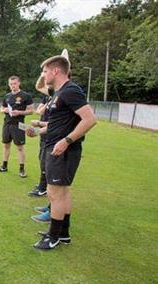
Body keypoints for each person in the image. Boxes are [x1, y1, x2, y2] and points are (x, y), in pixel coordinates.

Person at [27, 55, 97, 250]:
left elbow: (90, 119)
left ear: (55, 71)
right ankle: (63, 234)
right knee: (62, 193)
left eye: (46, 71)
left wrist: (67, 141)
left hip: (63, 151)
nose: (44, 75)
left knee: (55, 193)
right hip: (54, 147)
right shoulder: (59, 93)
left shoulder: (71, 91)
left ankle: (53, 236)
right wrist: (39, 130)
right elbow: (58, 124)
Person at [0, 76, 34, 178]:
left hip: (19, 125)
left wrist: (19, 112)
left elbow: (31, 110)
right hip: (7, 124)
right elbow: (1, 108)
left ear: (19, 83)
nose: (13, 86)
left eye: (15, 83)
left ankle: (21, 169)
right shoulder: (7, 96)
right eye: (11, 84)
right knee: (6, 146)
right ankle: (4, 166)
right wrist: (4, 110)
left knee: (20, 148)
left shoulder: (26, 95)